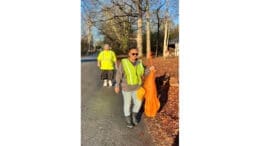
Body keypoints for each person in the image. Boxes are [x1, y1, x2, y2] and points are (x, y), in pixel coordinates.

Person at [115, 47, 154, 128]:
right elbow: (119, 74)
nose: (135, 55)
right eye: (133, 54)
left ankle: (134, 116)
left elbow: (144, 73)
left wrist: (150, 70)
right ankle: (128, 120)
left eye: (136, 54)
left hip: (137, 88)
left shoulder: (139, 63)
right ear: (129, 54)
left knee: (138, 103)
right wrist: (117, 85)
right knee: (127, 104)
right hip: (127, 88)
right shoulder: (124, 62)